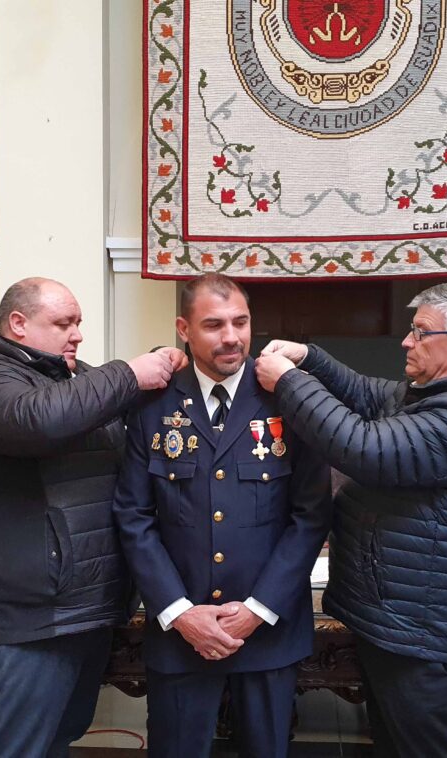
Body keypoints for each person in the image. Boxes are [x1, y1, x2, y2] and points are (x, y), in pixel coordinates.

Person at [255, 281, 447, 758]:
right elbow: (369, 396)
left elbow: (364, 448)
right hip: (402, 615)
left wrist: (290, 383)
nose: (406, 341)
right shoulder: (439, 390)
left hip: (427, 626)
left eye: (421, 333)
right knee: (397, 744)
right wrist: (309, 358)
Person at [0, 277, 185, 758]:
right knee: (16, 749)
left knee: (58, 738)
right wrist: (131, 373)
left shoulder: (77, 380)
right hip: (31, 613)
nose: (77, 335)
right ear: (18, 324)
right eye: (63, 323)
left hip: (86, 604)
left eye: (79, 323)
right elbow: (42, 420)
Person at [113, 273, 332, 757]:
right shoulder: (152, 402)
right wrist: (178, 611)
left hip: (266, 631)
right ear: (183, 329)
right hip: (181, 632)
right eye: (213, 324)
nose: (231, 336)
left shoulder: (288, 396)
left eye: (241, 321)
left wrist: (257, 611)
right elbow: (133, 515)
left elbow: (311, 514)